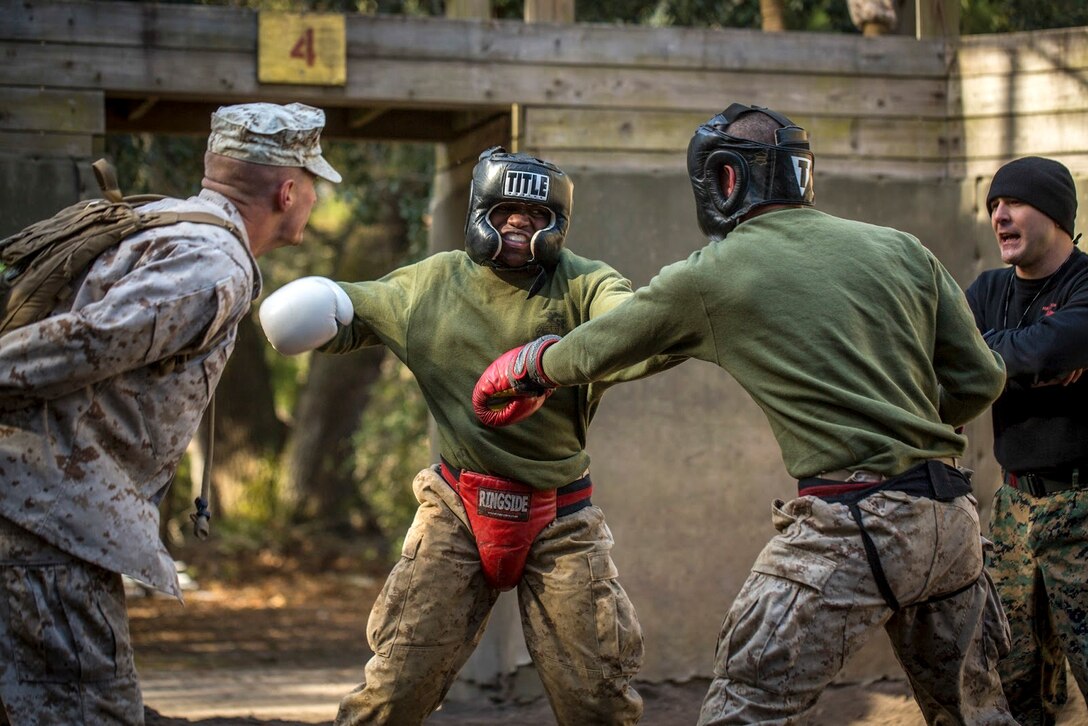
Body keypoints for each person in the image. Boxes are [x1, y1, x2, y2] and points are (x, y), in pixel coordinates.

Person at [473, 103, 1018, 724]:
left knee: (747, 703)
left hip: (853, 521)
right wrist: (909, 420)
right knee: (976, 712)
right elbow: (982, 377)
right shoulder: (901, 249)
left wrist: (525, 368)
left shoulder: (718, 272)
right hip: (951, 521)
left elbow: (606, 342)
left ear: (725, 179)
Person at [259, 146, 682, 726]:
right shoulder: (431, 286)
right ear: (479, 210)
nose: (517, 224)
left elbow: (633, 328)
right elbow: (354, 309)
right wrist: (320, 302)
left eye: (534, 216)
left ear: (556, 224)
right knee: (396, 685)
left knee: (596, 699)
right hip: (456, 506)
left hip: (560, 513)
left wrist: (549, 361)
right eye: (506, 210)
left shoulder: (586, 284)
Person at [0, 101, 341, 725]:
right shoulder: (211, 267)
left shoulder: (161, 220)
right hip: (46, 524)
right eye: (314, 183)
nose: (314, 195)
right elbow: (82, 342)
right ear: (289, 192)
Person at [965, 156, 1087, 726]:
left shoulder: (1086, 285)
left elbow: (1051, 348)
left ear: (1057, 214)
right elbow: (949, 356)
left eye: (1013, 202)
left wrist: (1007, 354)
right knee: (1011, 682)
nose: (999, 215)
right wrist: (1017, 353)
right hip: (1013, 508)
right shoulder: (987, 290)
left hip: (1082, 509)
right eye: (993, 205)